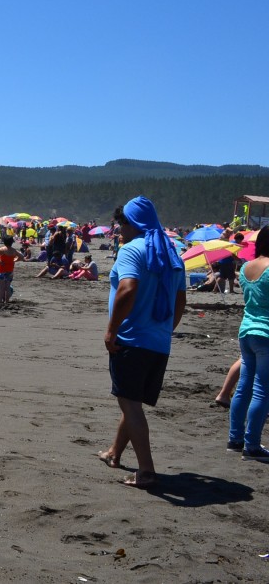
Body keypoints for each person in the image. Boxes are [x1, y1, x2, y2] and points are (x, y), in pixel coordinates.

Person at [98, 196, 186, 488]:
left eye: (121, 223)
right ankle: (114, 452)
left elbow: (127, 289)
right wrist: (164, 330)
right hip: (159, 342)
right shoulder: (172, 254)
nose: (119, 229)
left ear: (132, 223)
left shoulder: (132, 250)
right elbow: (180, 300)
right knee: (132, 401)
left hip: (131, 339)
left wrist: (112, 330)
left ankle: (146, 470)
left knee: (130, 404)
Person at [228, 226, 269, 461]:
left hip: (246, 331)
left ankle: (235, 439)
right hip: (266, 333)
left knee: (244, 387)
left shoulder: (245, 268)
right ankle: (252, 445)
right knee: (262, 390)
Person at [0, 236, 25, 306]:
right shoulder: (14, 251)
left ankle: (0, 302)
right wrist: (15, 260)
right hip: (9, 270)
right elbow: (22, 256)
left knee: (1, 288)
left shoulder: (2, 249)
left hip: (1, 270)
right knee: (7, 287)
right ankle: (6, 302)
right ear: (11, 243)